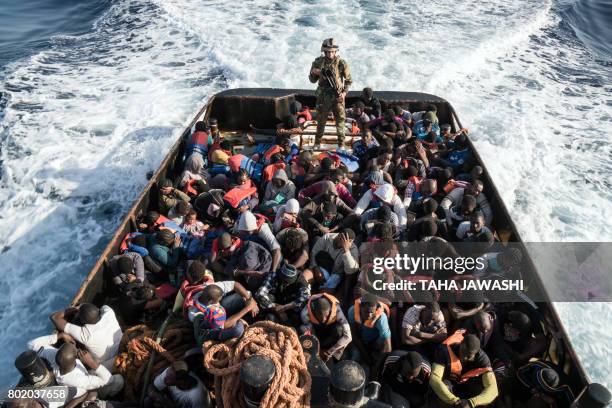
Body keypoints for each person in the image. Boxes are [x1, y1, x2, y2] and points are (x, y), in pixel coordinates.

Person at [26, 336, 123, 399]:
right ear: (75, 357)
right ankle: (113, 397)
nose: (77, 348)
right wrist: (91, 363)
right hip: (88, 387)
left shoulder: (53, 355)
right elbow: (108, 380)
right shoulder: (79, 380)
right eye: (76, 350)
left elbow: (31, 344)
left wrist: (60, 335)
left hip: (83, 377)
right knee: (118, 380)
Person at [429, 330, 498, 408]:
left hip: (466, 385)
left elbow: (493, 389)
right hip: (449, 383)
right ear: (461, 343)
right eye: (462, 351)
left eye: (468, 356)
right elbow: (434, 378)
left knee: (483, 395)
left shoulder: (482, 359)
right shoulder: (445, 350)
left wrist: (471, 403)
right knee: (443, 389)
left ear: (476, 354)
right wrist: (455, 401)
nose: (464, 357)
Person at [50, 303, 122, 371]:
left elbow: (54, 318)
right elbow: (98, 308)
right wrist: (83, 307)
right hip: (122, 348)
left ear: (82, 321)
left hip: (109, 363)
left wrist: (74, 308)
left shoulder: (86, 335)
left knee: (89, 370)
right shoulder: (109, 312)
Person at [309, 38, 352, 148]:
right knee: (321, 121)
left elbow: (348, 81)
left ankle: (341, 145)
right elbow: (312, 80)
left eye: (332, 51)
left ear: (336, 51)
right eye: (328, 51)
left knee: (340, 122)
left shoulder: (341, 63)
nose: (330, 54)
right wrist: (316, 72)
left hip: (337, 97)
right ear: (324, 51)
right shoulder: (318, 62)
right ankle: (317, 143)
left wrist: (344, 93)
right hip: (323, 97)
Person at [191, 284, 258, 343]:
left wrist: (249, 299)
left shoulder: (210, 289)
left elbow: (234, 284)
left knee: (243, 296)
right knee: (238, 330)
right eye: (218, 301)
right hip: (211, 333)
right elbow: (224, 325)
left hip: (214, 322)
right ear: (211, 302)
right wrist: (247, 309)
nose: (219, 302)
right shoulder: (196, 313)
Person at [300, 293, 352, 361]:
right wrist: (317, 349)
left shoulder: (337, 310)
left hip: (331, 333)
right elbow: (309, 331)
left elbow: (348, 337)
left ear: (330, 310)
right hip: (316, 331)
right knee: (302, 328)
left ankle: (334, 357)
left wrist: (329, 352)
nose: (324, 319)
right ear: (314, 311)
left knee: (339, 329)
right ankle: (313, 351)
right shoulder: (305, 313)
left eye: (326, 316)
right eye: (319, 315)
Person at [256, 261, 311, 325]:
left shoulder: (301, 280)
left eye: (288, 282)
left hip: (290, 304)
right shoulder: (274, 274)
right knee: (265, 301)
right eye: (283, 280)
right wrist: (275, 307)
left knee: (299, 311)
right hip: (275, 302)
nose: (285, 283)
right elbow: (260, 293)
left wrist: (285, 307)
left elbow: (305, 297)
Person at [347, 294, 392, 371]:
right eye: (366, 312)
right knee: (355, 357)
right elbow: (354, 335)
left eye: (372, 312)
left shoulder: (381, 318)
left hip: (375, 342)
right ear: (360, 307)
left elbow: (388, 347)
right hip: (360, 340)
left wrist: (375, 368)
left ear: (376, 309)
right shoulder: (352, 311)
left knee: (378, 359)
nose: (369, 315)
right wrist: (365, 355)